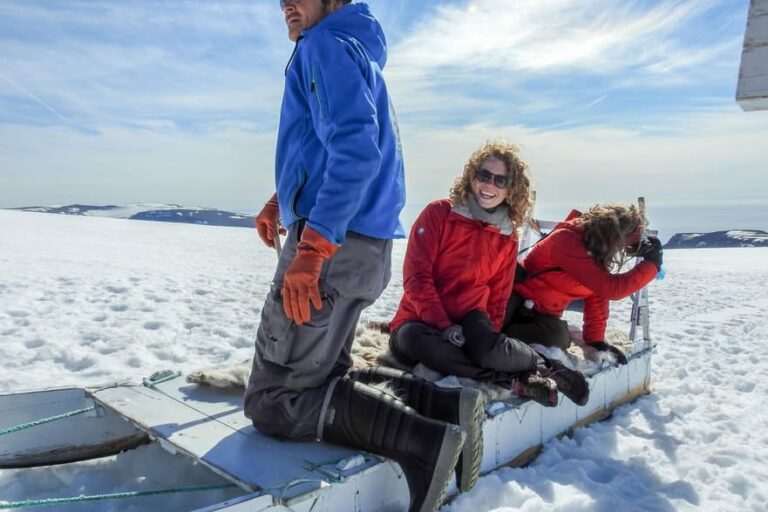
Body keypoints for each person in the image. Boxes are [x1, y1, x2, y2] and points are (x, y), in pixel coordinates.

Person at [244, 2, 480, 510]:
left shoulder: (325, 45)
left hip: (333, 245)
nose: (286, 2)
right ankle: (447, 406)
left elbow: (356, 149)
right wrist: (280, 200)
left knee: (275, 400)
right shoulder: (352, 47)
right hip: (361, 244)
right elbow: (324, 146)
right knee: (326, 373)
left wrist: (313, 246)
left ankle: (426, 446)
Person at [388, 141, 590, 411]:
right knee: (422, 344)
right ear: (472, 176)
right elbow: (417, 278)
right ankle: (512, 380)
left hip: (471, 317)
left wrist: (490, 341)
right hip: (418, 319)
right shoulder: (439, 214)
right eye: (483, 175)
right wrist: (444, 325)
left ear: (511, 189)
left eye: (500, 180)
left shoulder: (507, 236)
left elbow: (498, 295)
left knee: (487, 349)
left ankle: (546, 367)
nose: (489, 185)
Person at [502, 204, 663, 364]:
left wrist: (596, 342)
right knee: (493, 328)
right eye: (624, 243)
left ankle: (509, 337)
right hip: (515, 300)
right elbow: (611, 289)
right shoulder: (566, 240)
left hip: (541, 313)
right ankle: (497, 340)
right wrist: (652, 265)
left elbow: (597, 294)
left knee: (559, 339)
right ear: (613, 234)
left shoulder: (595, 249)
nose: (622, 249)